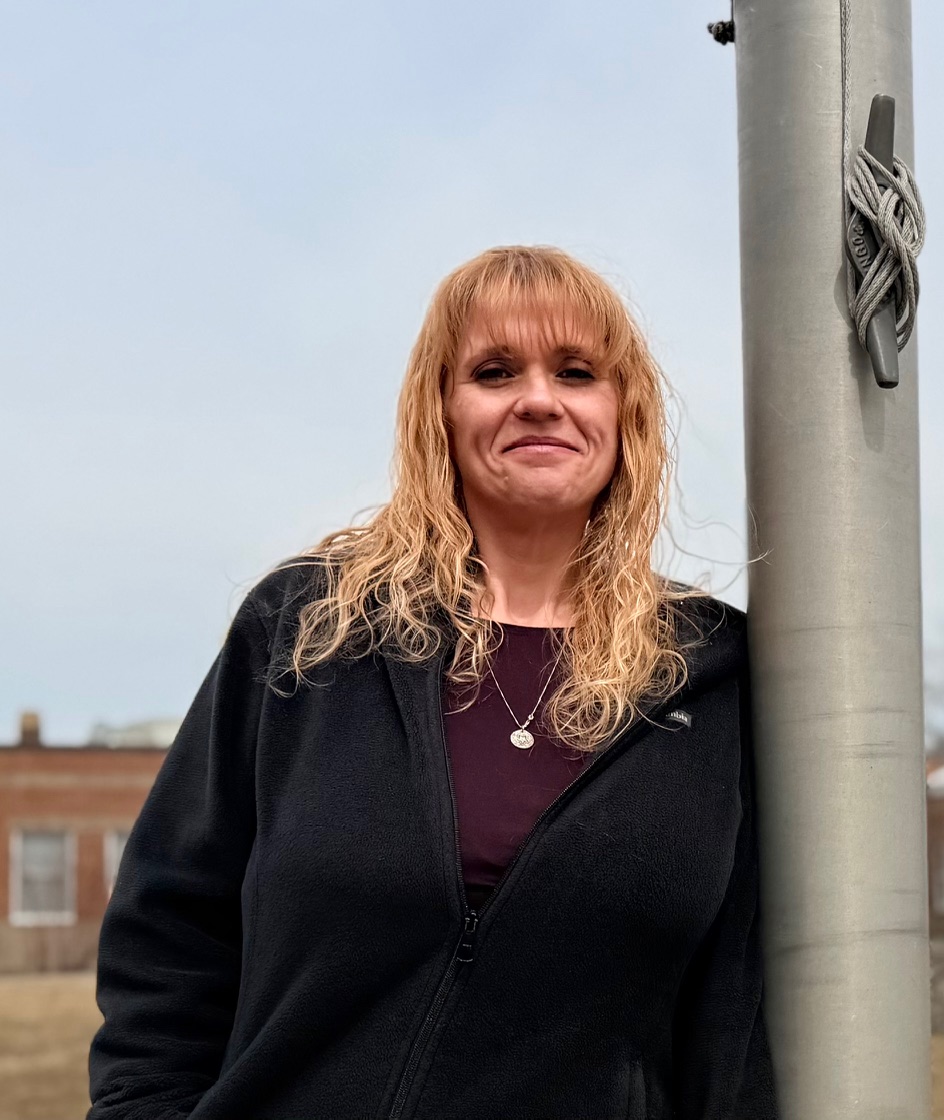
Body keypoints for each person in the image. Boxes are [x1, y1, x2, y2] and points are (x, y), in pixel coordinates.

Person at [87, 246, 776, 1120]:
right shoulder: (308, 629)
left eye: (576, 371)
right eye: (494, 371)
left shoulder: (714, 672)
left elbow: (740, 1012)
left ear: (624, 413)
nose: (538, 398)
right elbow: (169, 930)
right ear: (439, 412)